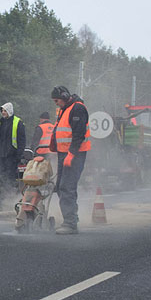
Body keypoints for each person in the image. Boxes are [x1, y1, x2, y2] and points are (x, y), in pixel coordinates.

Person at [50, 86, 91, 234]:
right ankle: (71, 217)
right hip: (64, 153)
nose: (56, 103)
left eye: (57, 100)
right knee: (60, 186)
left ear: (65, 96)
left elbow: (78, 134)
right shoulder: (64, 109)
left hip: (75, 154)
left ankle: (70, 224)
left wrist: (71, 155)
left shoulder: (77, 109)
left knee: (67, 187)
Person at [0, 102, 26, 194]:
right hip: (1, 154)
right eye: (2, 111)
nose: (3, 113)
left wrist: (19, 155)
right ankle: (4, 194)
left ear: (10, 111)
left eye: (5, 111)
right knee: (0, 176)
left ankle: (11, 195)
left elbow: (21, 140)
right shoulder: (0, 122)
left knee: (10, 176)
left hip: (11, 155)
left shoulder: (18, 122)